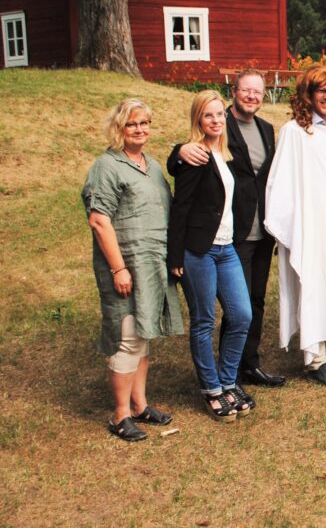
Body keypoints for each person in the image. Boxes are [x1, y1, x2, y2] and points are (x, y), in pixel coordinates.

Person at [168, 70, 284, 387]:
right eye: (246, 90)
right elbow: (191, 155)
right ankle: (225, 372)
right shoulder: (220, 125)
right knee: (235, 306)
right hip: (230, 235)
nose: (252, 96)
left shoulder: (266, 129)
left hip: (262, 229)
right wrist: (177, 152)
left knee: (255, 301)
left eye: (258, 92)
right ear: (235, 92)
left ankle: (248, 363)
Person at [83, 99, 183, 441]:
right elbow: (99, 220)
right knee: (126, 338)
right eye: (132, 124)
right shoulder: (107, 166)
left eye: (144, 123)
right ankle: (120, 414)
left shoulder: (153, 166)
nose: (139, 129)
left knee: (143, 335)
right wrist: (118, 269)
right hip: (125, 267)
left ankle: (140, 405)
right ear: (119, 129)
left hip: (152, 265)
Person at [265, 66, 326, 387]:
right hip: (311, 222)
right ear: (308, 95)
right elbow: (282, 180)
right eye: (321, 90)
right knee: (315, 283)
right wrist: (294, 223)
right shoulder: (295, 132)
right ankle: (316, 359)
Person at [168, 90, 254, 421]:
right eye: (208, 115)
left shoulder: (225, 153)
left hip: (227, 248)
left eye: (220, 114)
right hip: (198, 251)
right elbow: (181, 206)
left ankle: (228, 380)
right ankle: (212, 389)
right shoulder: (195, 156)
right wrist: (175, 256)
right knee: (204, 319)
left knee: (241, 315)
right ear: (198, 120)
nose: (216, 120)